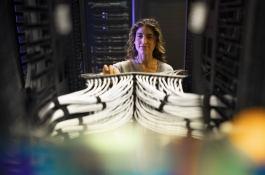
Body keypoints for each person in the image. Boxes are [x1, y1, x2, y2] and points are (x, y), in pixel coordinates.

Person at [102, 18, 173, 74]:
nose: (144, 41)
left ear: (156, 41)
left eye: (149, 37)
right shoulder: (121, 68)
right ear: (134, 41)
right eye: (139, 36)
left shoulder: (167, 71)